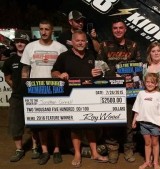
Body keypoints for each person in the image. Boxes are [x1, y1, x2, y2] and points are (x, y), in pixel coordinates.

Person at [51, 30, 108, 167]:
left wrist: (100, 71)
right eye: (78, 40)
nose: (81, 43)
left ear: (86, 42)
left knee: (91, 126)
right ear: (72, 42)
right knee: (75, 128)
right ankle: (77, 153)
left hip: (90, 96)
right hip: (72, 96)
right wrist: (60, 75)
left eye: (83, 40)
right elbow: (53, 71)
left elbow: (103, 68)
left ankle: (94, 153)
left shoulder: (91, 54)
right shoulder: (64, 56)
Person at [21, 19, 68, 165]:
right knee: (41, 124)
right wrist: (25, 87)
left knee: (56, 123)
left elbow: (66, 67)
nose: (43, 32)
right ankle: (45, 150)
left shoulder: (60, 47)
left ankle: (57, 150)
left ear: (52, 31)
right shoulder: (30, 47)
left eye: (47, 29)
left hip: (56, 89)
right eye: (41, 29)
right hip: (36, 89)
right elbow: (25, 70)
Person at [96, 18, 141, 164]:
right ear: (112, 29)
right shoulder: (104, 45)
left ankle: (128, 148)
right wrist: (111, 75)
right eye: (115, 28)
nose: (118, 30)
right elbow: (99, 66)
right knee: (111, 119)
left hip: (129, 91)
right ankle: (112, 149)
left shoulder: (133, 46)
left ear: (125, 29)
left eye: (121, 28)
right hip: (110, 90)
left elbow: (138, 68)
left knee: (129, 121)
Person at [1, 32, 40, 162]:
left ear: (27, 43)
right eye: (17, 41)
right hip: (17, 97)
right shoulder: (11, 60)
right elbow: (7, 77)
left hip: (32, 96)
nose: (19, 44)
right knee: (15, 124)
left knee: (34, 124)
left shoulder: (33, 58)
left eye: (22, 41)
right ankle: (19, 149)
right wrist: (16, 88)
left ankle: (35, 147)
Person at [132, 73, 160, 169]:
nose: (149, 84)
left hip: (155, 124)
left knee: (155, 143)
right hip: (143, 124)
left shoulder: (158, 95)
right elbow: (137, 109)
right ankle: (147, 162)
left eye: (152, 82)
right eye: (147, 82)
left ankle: (155, 162)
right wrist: (134, 120)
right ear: (144, 82)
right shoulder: (141, 94)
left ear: (156, 84)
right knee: (147, 143)